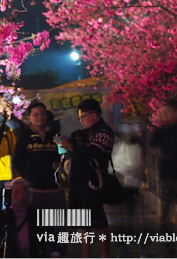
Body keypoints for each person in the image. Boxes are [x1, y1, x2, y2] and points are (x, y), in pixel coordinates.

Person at [58, 98, 114, 258]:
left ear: (94, 115)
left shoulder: (103, 132)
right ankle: (86, 255)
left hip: (92, 184)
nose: (81, 121)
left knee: (98, 221)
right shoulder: (87, 133)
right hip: (80, 185)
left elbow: (93, 153)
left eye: (83, 117)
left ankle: (105, 254)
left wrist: (72, 146)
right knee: (81, 223)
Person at [148, 98, 177, 253]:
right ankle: (169, 247)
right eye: (163, 112)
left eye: (167, 112)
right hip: (166, 177)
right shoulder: (161, 131)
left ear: (176, 113)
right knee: (164, 216)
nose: (164, 115)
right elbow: (151, 143)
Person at [0, 177, 53, 258]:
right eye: (17, 192)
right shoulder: (2, 216)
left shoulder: (36, 215)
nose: (21, 196)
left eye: (24, 192)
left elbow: (50, 237)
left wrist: (54, 253)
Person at [111, 125, 144, 257]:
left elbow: (134, 166)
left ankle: (125, 245)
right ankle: (122, 246)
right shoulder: (120, 146)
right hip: (119, 185)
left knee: (126, 216)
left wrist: (120, 173)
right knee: (121, 216)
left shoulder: (134, 148)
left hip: (129, 185)